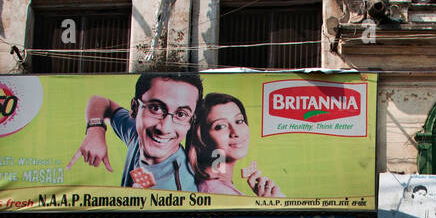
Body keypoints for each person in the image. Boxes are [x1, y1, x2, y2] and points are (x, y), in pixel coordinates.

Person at [69, 72, 203, 191]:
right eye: (155, 108)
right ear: (134, 107)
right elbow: (101, 102)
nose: (164, 128)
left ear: (190, 122)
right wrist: (96, 129)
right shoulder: (136, 133)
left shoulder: (180, 186)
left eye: (181, 114)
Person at [186, 93, 282, 197]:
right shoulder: (220, 193)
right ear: (202, 138)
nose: (236, 132)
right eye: (221, 126)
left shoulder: (215, 186)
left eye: (239, 121)